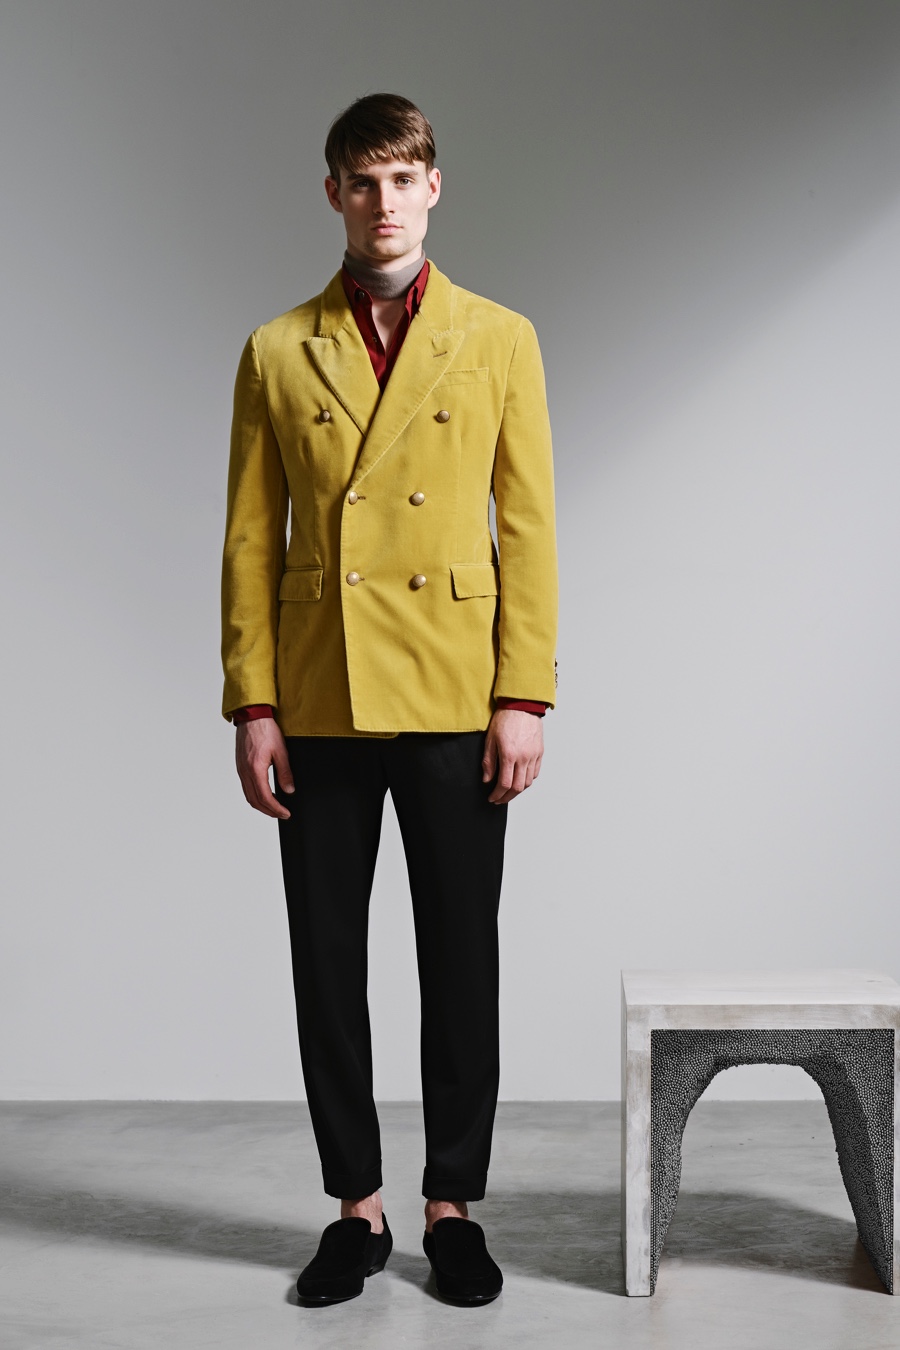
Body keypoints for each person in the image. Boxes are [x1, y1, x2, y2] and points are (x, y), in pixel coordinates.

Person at [220, 92, 558, 1307]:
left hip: (459, 688)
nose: (383, 202)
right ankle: (355, 1210)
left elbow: (530, 526)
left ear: (433, 188)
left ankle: (452, 1205)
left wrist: (523, 694)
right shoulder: (276, 348)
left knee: (462, 957)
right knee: (327, 963)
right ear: (334, 195)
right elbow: (249, 540)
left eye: (403, 179)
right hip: (321, 694)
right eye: (361, 182)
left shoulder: (500, 337)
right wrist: (253, 704)